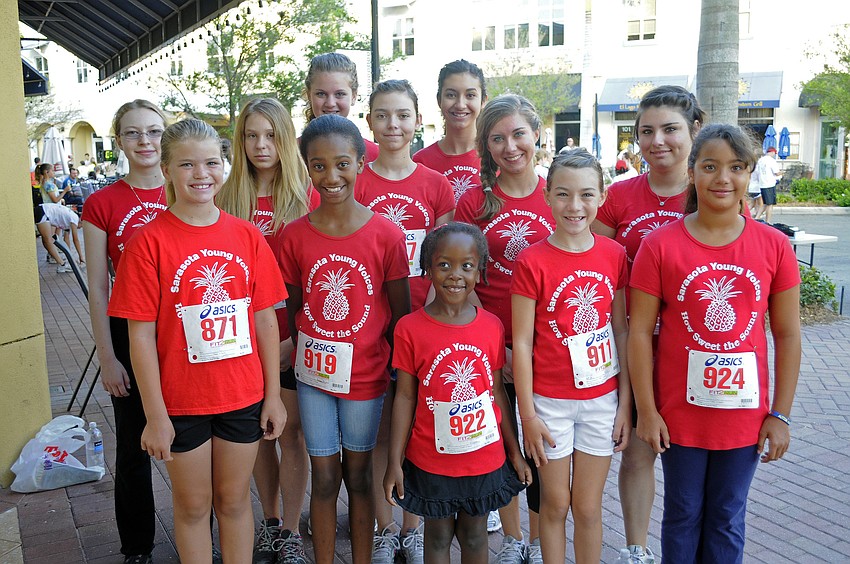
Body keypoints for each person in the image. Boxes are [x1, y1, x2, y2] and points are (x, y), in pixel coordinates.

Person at [108, 118, 287, 563]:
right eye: (187, 164)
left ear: (225, 165)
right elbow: (140, 337)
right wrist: (154, 416)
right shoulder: (147, 243)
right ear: (166, 170)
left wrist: (273, 396)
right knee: (192, 507)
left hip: (241, 396)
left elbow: (265, 322)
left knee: (234, 502)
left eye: (211, 162)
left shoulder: (245, 235)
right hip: (181, 402)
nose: (201, 173)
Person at [628, 123, 801, 563]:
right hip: (679, 417)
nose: (723, 179)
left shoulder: (775, 246)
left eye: (736, 168)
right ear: (692, 173)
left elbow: (786, 334)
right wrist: (647, 412)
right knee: (682, 513)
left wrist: (780, 414)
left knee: (726, 515)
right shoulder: (659, 245)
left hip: (744, 420)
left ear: (750, 174)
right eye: (709, 167)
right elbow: (640, 335)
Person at [278, 114, 411, 564]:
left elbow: (399, 313)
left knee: (358, 477)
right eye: (318, 166)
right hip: (314, 378)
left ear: (359, 163)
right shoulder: (293, 237)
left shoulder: (386, 235)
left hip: (367, 377)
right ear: (306, 168)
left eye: (341, 164)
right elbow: (298, 309)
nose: (330, 176)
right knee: (324, 477)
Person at [592, 84, 706, 563]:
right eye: (646, 131)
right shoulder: (619, 197)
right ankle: (637, 549)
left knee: (688, 460)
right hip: (633, 347)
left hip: (691, 351)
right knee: (639, 453)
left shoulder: (712, 193)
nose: (658, 140)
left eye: (670, 129)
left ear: (693, 131)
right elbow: (590, 266)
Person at [384, 222, 532, 563]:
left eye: (467, 265)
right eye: (444, 264)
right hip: (431, 460)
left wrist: (514, 452)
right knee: (437, 537)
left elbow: (496, 392)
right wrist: (395, 461)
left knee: (475, 534)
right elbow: (404, 397)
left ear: (480, 271)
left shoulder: (491, 325)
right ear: (427, 268)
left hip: (483, 457)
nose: (455, 275)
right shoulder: (409, 329)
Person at [511, 150, 631, 563]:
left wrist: (625, 404)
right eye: (563, 194)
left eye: (586, 195)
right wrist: (527, 414)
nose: (575, 206)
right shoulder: (532, 261)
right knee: (555, 504)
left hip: (602, 402)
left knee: (587, 507)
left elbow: (621, 331)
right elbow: (522, 342)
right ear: (547, 196)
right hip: (550, 404)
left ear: (601, 196)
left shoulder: (614, 255)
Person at [354, 80, 454, 563]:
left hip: (422, 323)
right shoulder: (355, 181)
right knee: (380, 429)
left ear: (417, 120)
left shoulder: (436, 185)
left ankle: (413, 524)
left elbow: (446, 259)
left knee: (416, 423)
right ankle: (384, 524)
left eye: (402, 115)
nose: (392, 125)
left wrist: (434, 319)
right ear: (368, 120)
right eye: (382, 115)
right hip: (369, 325)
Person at [455, 94, 554, 563]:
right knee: (501, 441)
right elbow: (462, 275)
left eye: (518, 134)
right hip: (492, 343)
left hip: (550, 346)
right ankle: (513, 538)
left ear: (536, 133)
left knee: (542, 448)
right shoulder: (475, 201)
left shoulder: (558, 193)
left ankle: (538, 540)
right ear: (486, 146)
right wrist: (499, 347)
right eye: (497, 138)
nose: (510, 146)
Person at [217, 98, 316, 564]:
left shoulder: (307, 197)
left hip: (294, 335)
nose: (261, 145)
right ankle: (271, 521)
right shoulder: (224, 197)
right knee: (256, 435)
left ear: (286, 137)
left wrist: (293, 338)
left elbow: (317, 277)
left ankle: (292, 529)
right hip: (241, 339)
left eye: (271, 135)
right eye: (251, 135)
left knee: (291, 432)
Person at [81, 99, 169, 564]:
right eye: (134, 133)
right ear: (119, 141)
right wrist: (107, 357)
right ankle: (137, 546)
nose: (146, 142)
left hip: (183, 331)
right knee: (134, 443)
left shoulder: (191, 186)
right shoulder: (103, 203)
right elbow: (98, 287)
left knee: (196, 437)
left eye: (154, 132)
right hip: (128, 329)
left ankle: (202, 537)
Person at [412, 59, 487, 202]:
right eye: (451, 95)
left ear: (483, 101)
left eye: (470, 95)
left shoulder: (497, 156)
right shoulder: (420, 161)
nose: (460, 104)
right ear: (439, 100)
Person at [303, 52, 379, 162]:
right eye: (321, 94)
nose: (330, 103)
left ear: (354, 96)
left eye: (339, 94)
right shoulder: (290, 153)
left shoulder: (374, 156)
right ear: (309, 95)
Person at [755, 146, 782, 223]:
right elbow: (776, 173)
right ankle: (768, 221)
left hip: (762, 184)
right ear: (773, 152)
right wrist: (782, 172)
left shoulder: (760, 160)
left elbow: (757, 172)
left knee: (764, 203)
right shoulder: (771, 161)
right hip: (769, 184)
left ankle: (757, 217)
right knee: (770, 204)